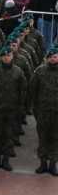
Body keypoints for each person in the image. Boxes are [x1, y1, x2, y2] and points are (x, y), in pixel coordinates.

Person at [0, 45, 27, 171]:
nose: (6, 58)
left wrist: (20, 109)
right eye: (4, 56)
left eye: (8, 55)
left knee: (9, 136)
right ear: (1, 57)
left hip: (12, 109)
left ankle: (6, 160)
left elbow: (23, 92)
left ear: (12, 56)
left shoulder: (18, 72)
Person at [27, 45, 58, 175]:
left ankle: (53, 164)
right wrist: (35, 109)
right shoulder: (40, 71)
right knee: (43, 138)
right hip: (43, 112)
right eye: (50, 57)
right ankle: (43, 162)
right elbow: (32, 91)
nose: (52, 59)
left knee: (55, 139)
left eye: (55, 57)